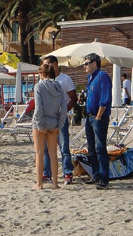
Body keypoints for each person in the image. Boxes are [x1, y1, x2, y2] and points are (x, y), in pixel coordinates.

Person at [41, 55, 77, 185]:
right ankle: (47, 172)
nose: (45, 68)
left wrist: (64, 110)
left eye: (47, 65)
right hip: (47, 118)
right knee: (46, 147)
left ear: (55, 64)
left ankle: (67, 172)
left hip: (61, 118)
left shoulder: (65, 79)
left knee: (64, 146)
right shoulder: (43, 80)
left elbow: (73, 97)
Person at [32, 62, 68, 189]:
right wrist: (60, 124)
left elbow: (38, 108)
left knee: (39, 153)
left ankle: (39, 184)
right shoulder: (59, 87)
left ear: (42, 73)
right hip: (54, 123)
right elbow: (63, 109)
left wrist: (39, 125)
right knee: (53, 154)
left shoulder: (39, 87)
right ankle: (55, 183)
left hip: (40, 123)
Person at [83, 53, 112, 189]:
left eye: (86, 63)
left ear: (94, 63)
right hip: (89, 116)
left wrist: (99, 116)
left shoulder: (102, 77)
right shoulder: (91, 78)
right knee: (91, 148)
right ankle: (95, 174)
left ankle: (104, 177)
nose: (84, 66)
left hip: (98, 116)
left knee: (100, 147)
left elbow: (105, 98)